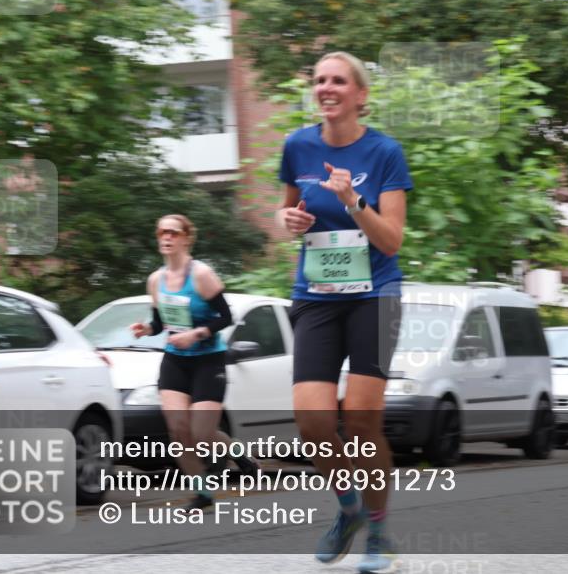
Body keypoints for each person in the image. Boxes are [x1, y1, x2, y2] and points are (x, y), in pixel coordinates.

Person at [276, 51, 412, 573]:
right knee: (312, 420)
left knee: (360, 420)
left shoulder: (384, 152)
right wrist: (286, 219)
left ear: (360, 95)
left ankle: (379, 532)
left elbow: (393, 240)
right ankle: (350, 508)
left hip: (375, 294)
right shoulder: (297, 145)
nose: (326, 88)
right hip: (317, 295)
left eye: (338, 81)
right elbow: (288, 210)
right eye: (320, 81)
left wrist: (355, 201)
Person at [130, 214, 257, 510]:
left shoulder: (201, 274)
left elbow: (225, 317)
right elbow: (161, 322)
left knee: (201, 436)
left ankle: (239, 454)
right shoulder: (155, 280)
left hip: (208, 361)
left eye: (173, 232)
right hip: (175, 361)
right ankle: (203, 493)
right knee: (178, 433)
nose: (167, 237)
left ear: (186, 238)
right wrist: (147, 329)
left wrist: (197, 334)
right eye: (161, 231)